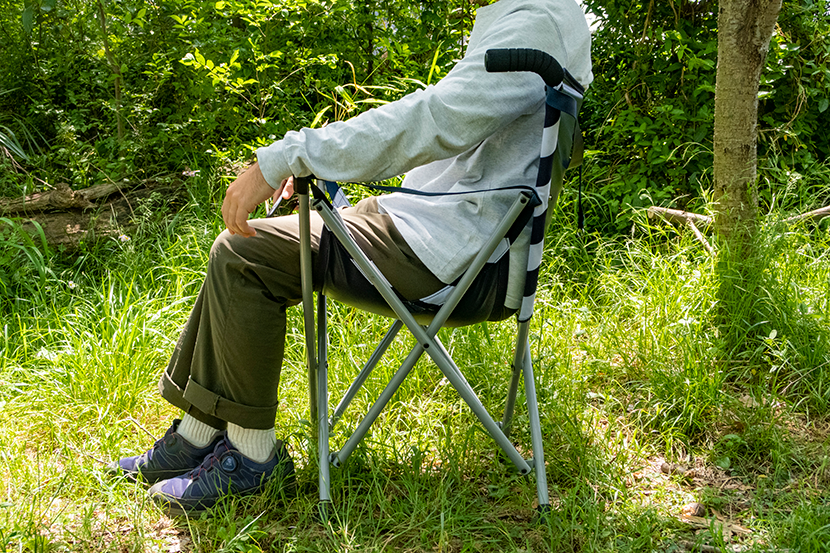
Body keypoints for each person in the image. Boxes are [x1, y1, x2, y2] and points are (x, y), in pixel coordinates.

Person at [110, 0, 593, 515]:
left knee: (242, 254)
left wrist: (288, 156)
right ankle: (198, 432)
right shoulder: (543, 17)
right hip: (447, 236)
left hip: (450, 257)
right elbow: (448, 134)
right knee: (248, 246)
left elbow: (432, 120)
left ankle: (252, 458)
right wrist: (329, 176)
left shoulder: (534, 24)